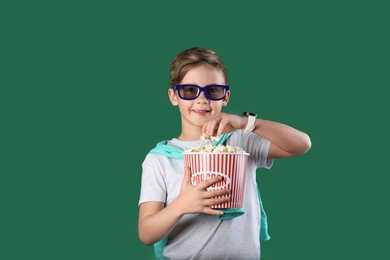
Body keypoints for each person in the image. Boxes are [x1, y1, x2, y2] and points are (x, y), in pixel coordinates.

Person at [138, 47, 311, 259]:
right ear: (174, 96)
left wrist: (245, 123)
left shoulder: (240, 142)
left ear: (225, 96)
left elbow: (302, 144)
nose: (202, 99)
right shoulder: (160, 159)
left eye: (213, 91)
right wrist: (181, 205)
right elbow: (146, 233)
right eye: (190, 91)